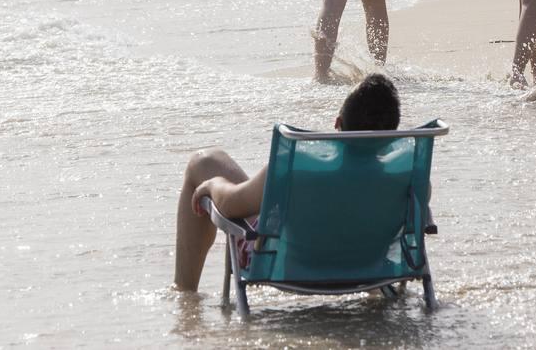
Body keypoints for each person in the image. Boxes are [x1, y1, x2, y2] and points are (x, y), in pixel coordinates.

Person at [174, 74, 406, 292]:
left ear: (338, 123)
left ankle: (184, 291)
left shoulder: (293, 169)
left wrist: (213, 185)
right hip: (368, 269)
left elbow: (231, 205)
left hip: (284, 266)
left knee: (203, 161)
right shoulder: (406, 180)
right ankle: (375, 293)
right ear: (391, 136)